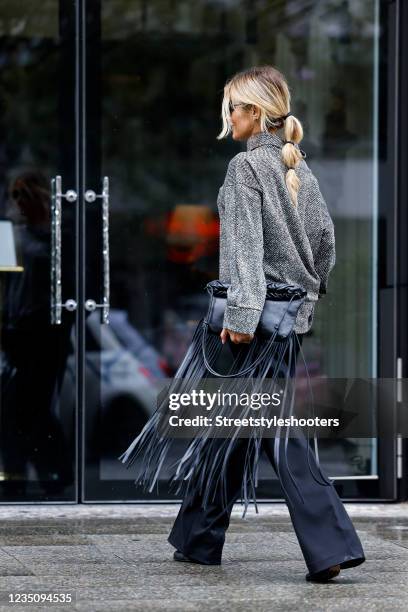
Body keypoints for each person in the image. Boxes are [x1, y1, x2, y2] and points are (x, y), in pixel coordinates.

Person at [166, 65, 366, 582]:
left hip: (252, 325)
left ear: (255, 113)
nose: (228, 116)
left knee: (279, 436)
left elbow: (245, 254)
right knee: (229, 428)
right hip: (287, 321)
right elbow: (325, 247)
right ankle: (197, 539)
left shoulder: (244, 170)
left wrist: (240, 319)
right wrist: (305, 298)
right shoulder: (298, 166)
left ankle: (331, 545)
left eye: (233, 106)